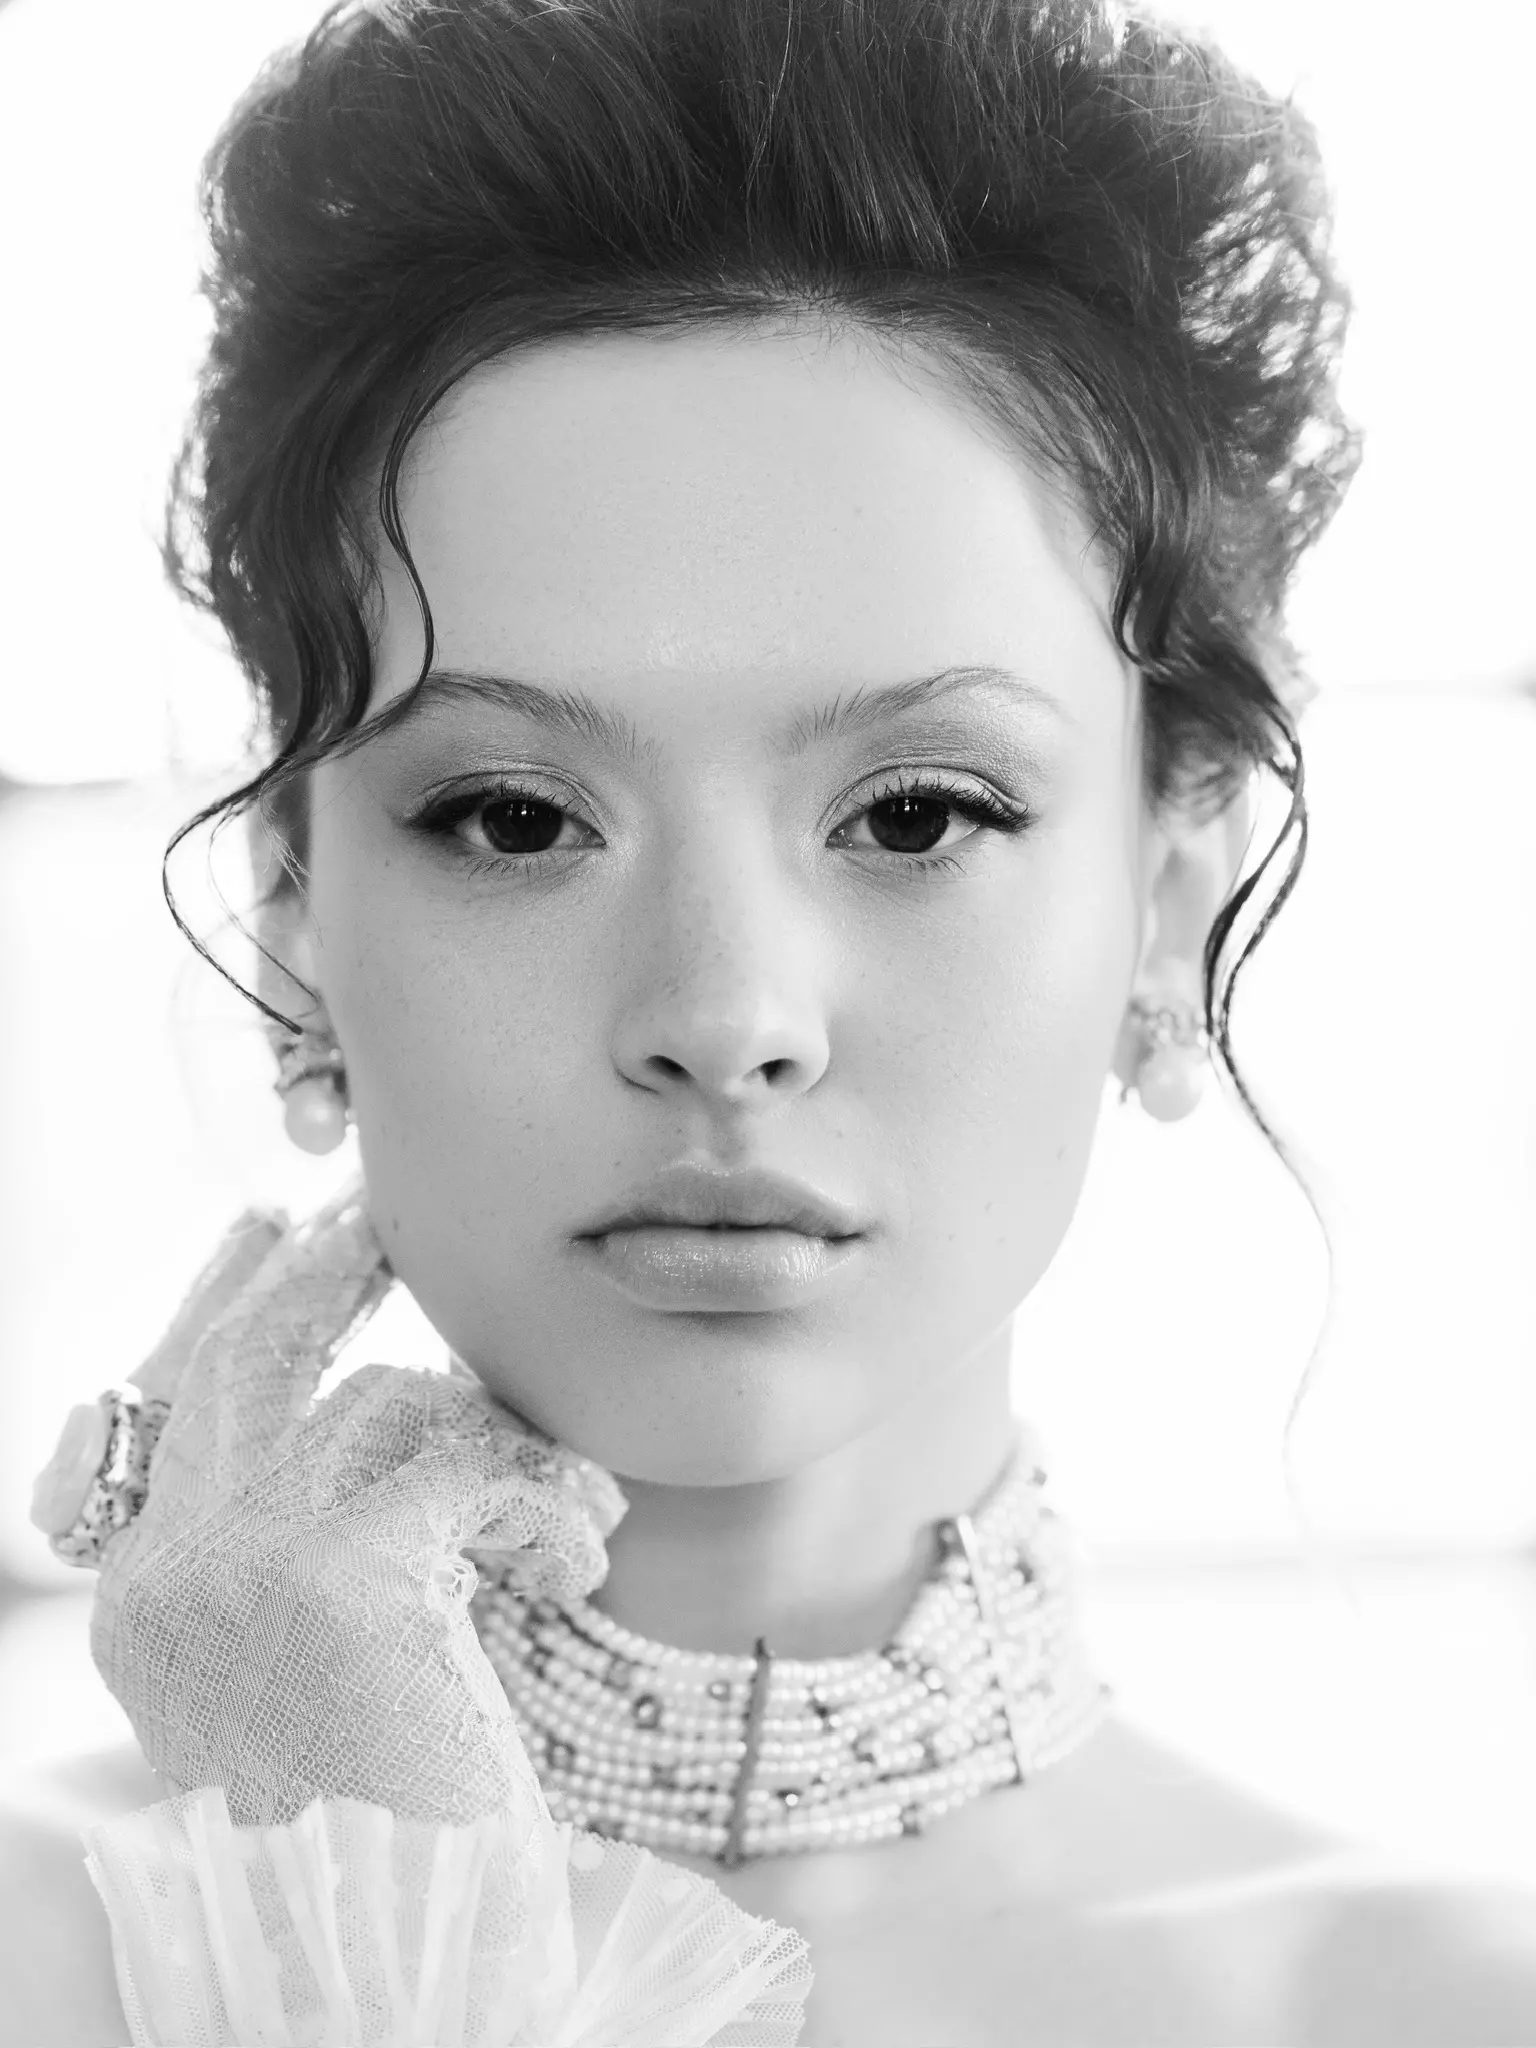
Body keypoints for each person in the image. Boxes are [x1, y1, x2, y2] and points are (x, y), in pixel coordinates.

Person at [7, 0, 1536, 2041]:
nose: (725, 1017)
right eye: (514, 816)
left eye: (916, 812)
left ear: (1165, 903)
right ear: (296, 918)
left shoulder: (1425, 1998)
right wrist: (334, 1878)